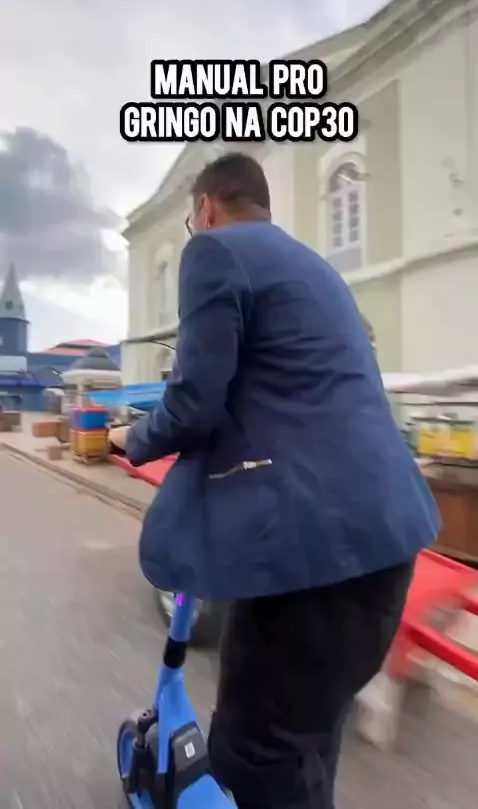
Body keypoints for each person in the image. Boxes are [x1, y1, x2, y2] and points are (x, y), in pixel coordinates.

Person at [109, 152, 440, 809]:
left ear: (206, 209)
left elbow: (192, 403)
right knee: (307, 745)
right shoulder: (317, 272)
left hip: (309, 556)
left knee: (256, 756)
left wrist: (131, 439)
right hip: (388, 539)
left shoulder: (215, 252)